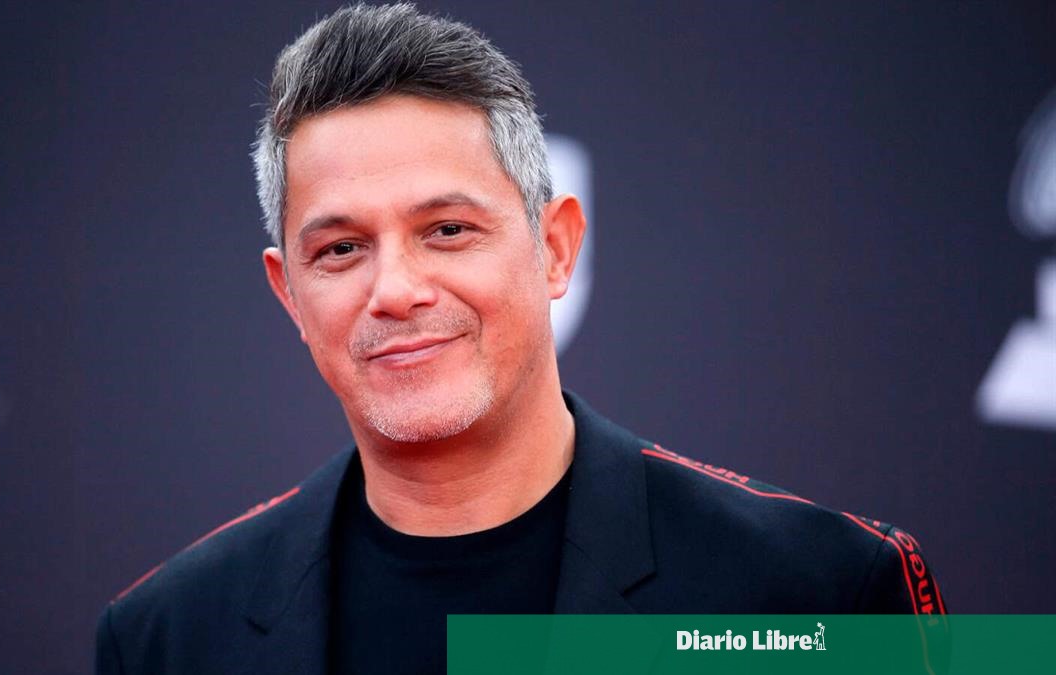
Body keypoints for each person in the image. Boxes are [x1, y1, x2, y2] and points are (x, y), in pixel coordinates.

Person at [95, 4, 946, 674]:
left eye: (448, 230)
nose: (395, 290)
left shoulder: (822, 592)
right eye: (341, 249)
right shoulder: (167, 635)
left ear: (557, 248)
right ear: (290, 293)